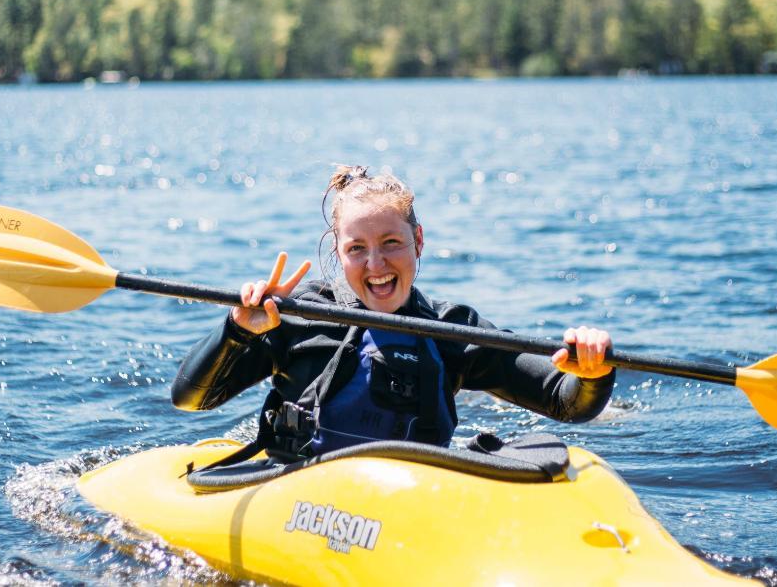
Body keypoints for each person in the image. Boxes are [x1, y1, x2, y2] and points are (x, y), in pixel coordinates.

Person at [172, 165, 615, 463]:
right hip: (302, 496)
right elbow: (190, 399)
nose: (376, 266)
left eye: (391, 243)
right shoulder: (294, 317)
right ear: (339, 253)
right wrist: (236, 332)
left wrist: (592, 371)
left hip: (412, 505)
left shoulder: (451, 329)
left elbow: (565, 400)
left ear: (418, 242)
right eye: (357, 249)